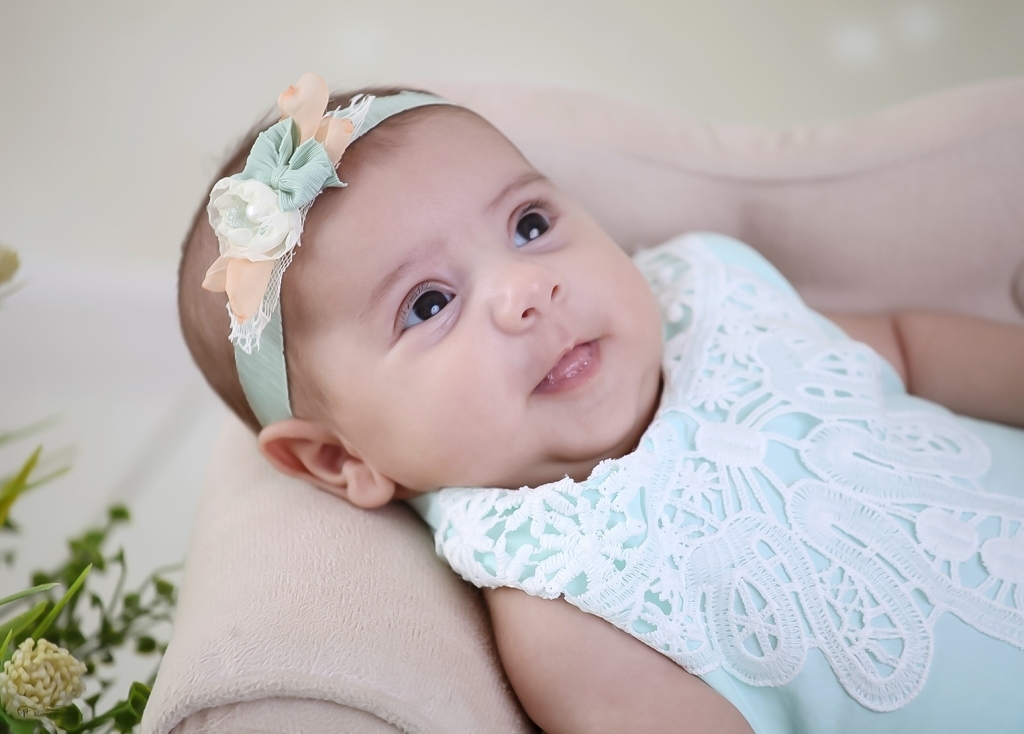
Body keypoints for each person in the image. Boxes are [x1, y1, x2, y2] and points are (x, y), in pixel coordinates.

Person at [178, 74, 1024, 734]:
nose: (527, 289)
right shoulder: (569, 608)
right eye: (429, 304)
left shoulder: (709, 295)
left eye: (530, 224)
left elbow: (910, 346)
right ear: (341, 458)